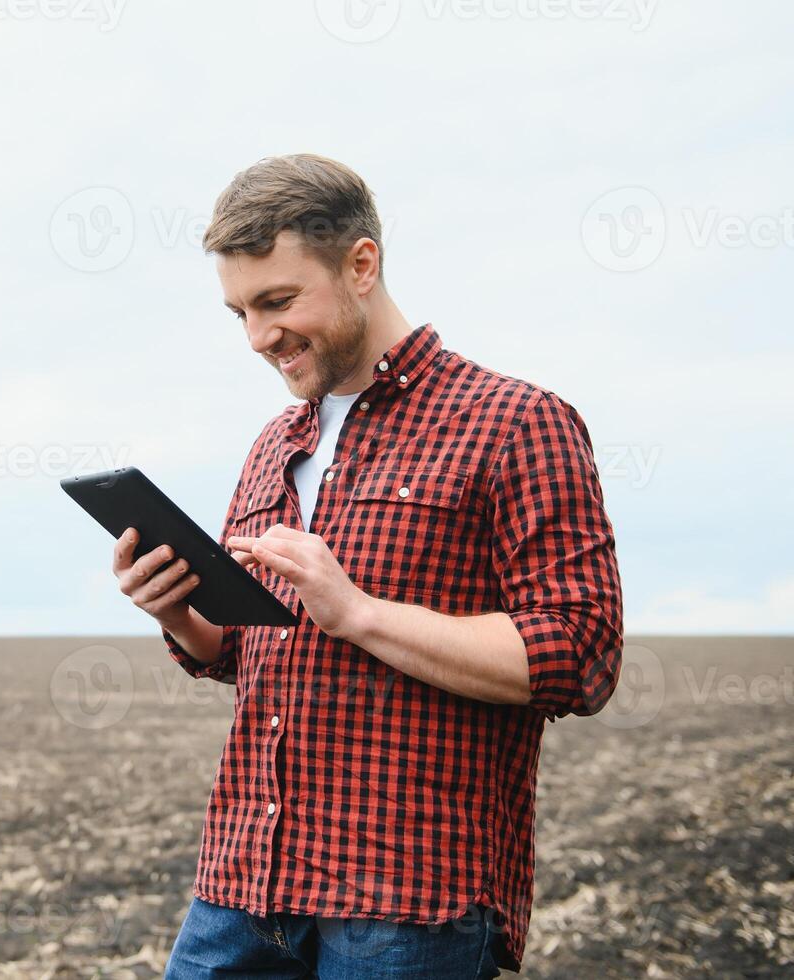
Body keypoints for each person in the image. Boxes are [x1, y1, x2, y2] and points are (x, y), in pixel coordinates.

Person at [111, 153, 624, 978]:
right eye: (239, 311)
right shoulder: (275, 443)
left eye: (278, 301)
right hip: (244, 880)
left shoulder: (516, 422)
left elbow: (580, 654)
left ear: (360, 264)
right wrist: (176, 611)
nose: (257, 337)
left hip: (406, 900)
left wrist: (360, 613)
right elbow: (246, 652)